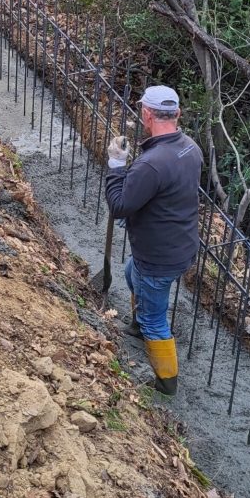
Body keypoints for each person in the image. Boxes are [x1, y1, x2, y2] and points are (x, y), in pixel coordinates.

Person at [106, 86, 203, 396]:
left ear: (147, 114)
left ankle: (165, 382)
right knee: (130, 273)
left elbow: (120, 205)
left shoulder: (152, 163)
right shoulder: (189, 147)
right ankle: (138, 324)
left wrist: (117, 166)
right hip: (180, 245)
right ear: (178, 114)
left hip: (159, 256)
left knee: (156, 320)